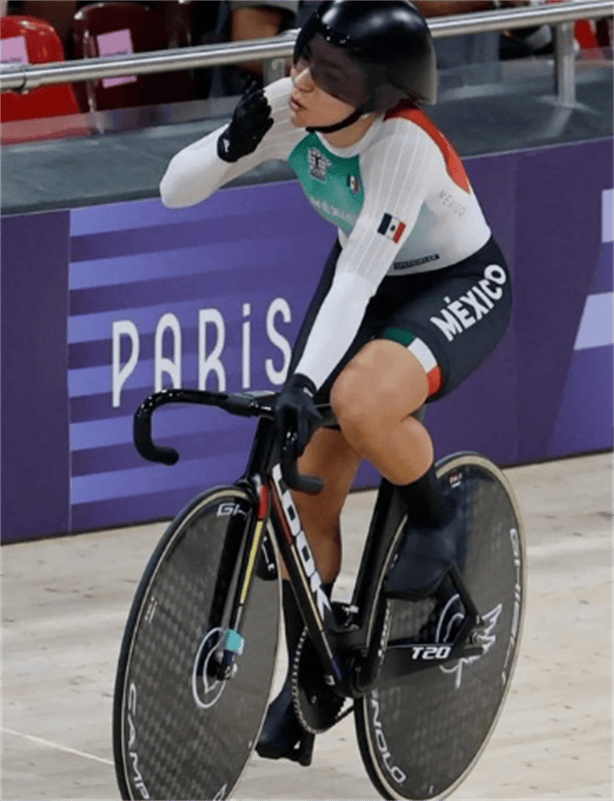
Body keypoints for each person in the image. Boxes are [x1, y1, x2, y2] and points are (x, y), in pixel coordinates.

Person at [160, 0, 513, 762]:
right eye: (303, 57)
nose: (302, 81)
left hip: (451, 284)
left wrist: (306, 383)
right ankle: (311, 672)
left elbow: (354, 282)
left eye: (330, 72)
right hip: (367, 272)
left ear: (379, 93)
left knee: (355, 401)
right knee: (301, 488)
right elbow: (174, 190)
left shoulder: (404, 145)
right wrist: (231, 142)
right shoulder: (293, 106)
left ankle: (437, 512)